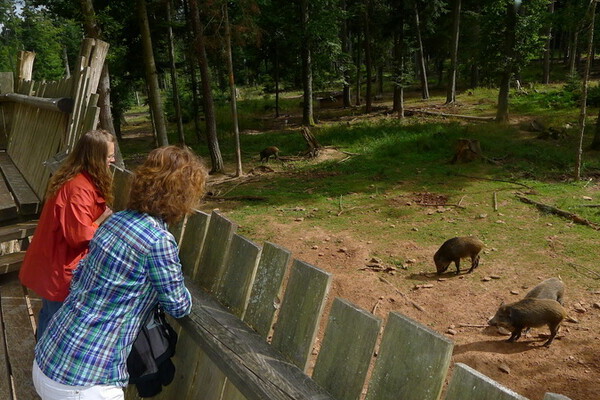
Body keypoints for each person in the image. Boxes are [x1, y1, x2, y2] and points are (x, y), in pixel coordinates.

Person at [32, 145, 207, 400]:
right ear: (182, 197)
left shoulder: (115, 221)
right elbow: (179, 305)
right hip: (86, 381)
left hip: (48, 356)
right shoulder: (158, 241)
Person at [19, 129, 115, 340]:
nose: (113, 160)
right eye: (108, 156)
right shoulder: (78, 189)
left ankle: (40, 362)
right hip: (59, 270)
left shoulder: (77, 179)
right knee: (59, 326)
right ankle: (46, 367)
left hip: (51, 266)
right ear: (95, 158)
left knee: (49, 317)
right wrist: (101, 221)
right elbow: (79, 236)